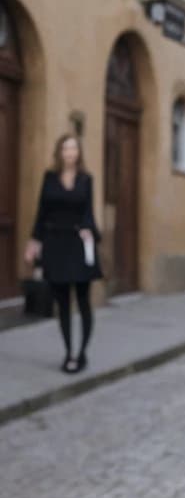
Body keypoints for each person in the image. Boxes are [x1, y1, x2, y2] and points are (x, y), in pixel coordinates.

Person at [24, 134, 102, 373]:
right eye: (65, 148)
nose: (69, 153)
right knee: (62, 303)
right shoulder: (49, 178)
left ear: (79, 153)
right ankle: (69, 353)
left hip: (78, 244)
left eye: (73, 148)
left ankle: (82, 353)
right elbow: (42, 211)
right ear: (59, 152)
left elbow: (88, 211)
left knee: (82, 301)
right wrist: (34, 240)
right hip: (55, 243)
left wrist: (90, 231)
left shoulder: (86, 179)